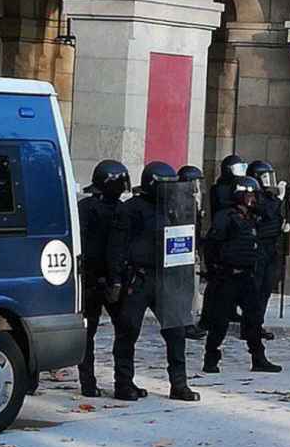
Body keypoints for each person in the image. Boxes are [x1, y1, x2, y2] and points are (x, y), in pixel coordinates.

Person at [107, 161, 200, 402]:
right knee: (128, 331)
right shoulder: (131, 209)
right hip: (139, 278)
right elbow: (116, 247)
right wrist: (116, 278)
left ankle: (179, 384)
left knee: (176, 331)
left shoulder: (175, 207)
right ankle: (124, 383)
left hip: (167, 278)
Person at [201, 176, 282, 374]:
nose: (254, 199)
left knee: (253, 318)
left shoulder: (252, 217)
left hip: (246, 276)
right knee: (220, 322)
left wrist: (277, 197)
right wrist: (213, 270)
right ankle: (211, 359)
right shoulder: (225, 217)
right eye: (250, 195)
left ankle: (258, 358)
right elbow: (211, 245)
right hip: (226, 276)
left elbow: (272, 216)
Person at [77, 160, 130, 397]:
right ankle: (88, 382)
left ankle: (123, 381)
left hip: (109, 278)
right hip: (92, 279)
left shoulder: (120, 209)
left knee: (125, 329)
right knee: (88, 332)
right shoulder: (88, 209)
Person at [248, 160, 284, 334]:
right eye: (265, 177)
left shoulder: (271, 198)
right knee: (255, 288)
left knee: (266, 288)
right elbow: (267, 212)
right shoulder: (254, 196)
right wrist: (280, 199)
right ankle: (250, 325)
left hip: (272, 247)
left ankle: (257, 323)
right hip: (259, 247)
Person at [178, 164, 207, 341]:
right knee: (185, 290)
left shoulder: (192, 202)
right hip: (182, 250)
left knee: (191, 289)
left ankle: (188, 321)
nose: (197, 188)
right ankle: (185, 323)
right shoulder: (181, 202)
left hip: (192, 249)